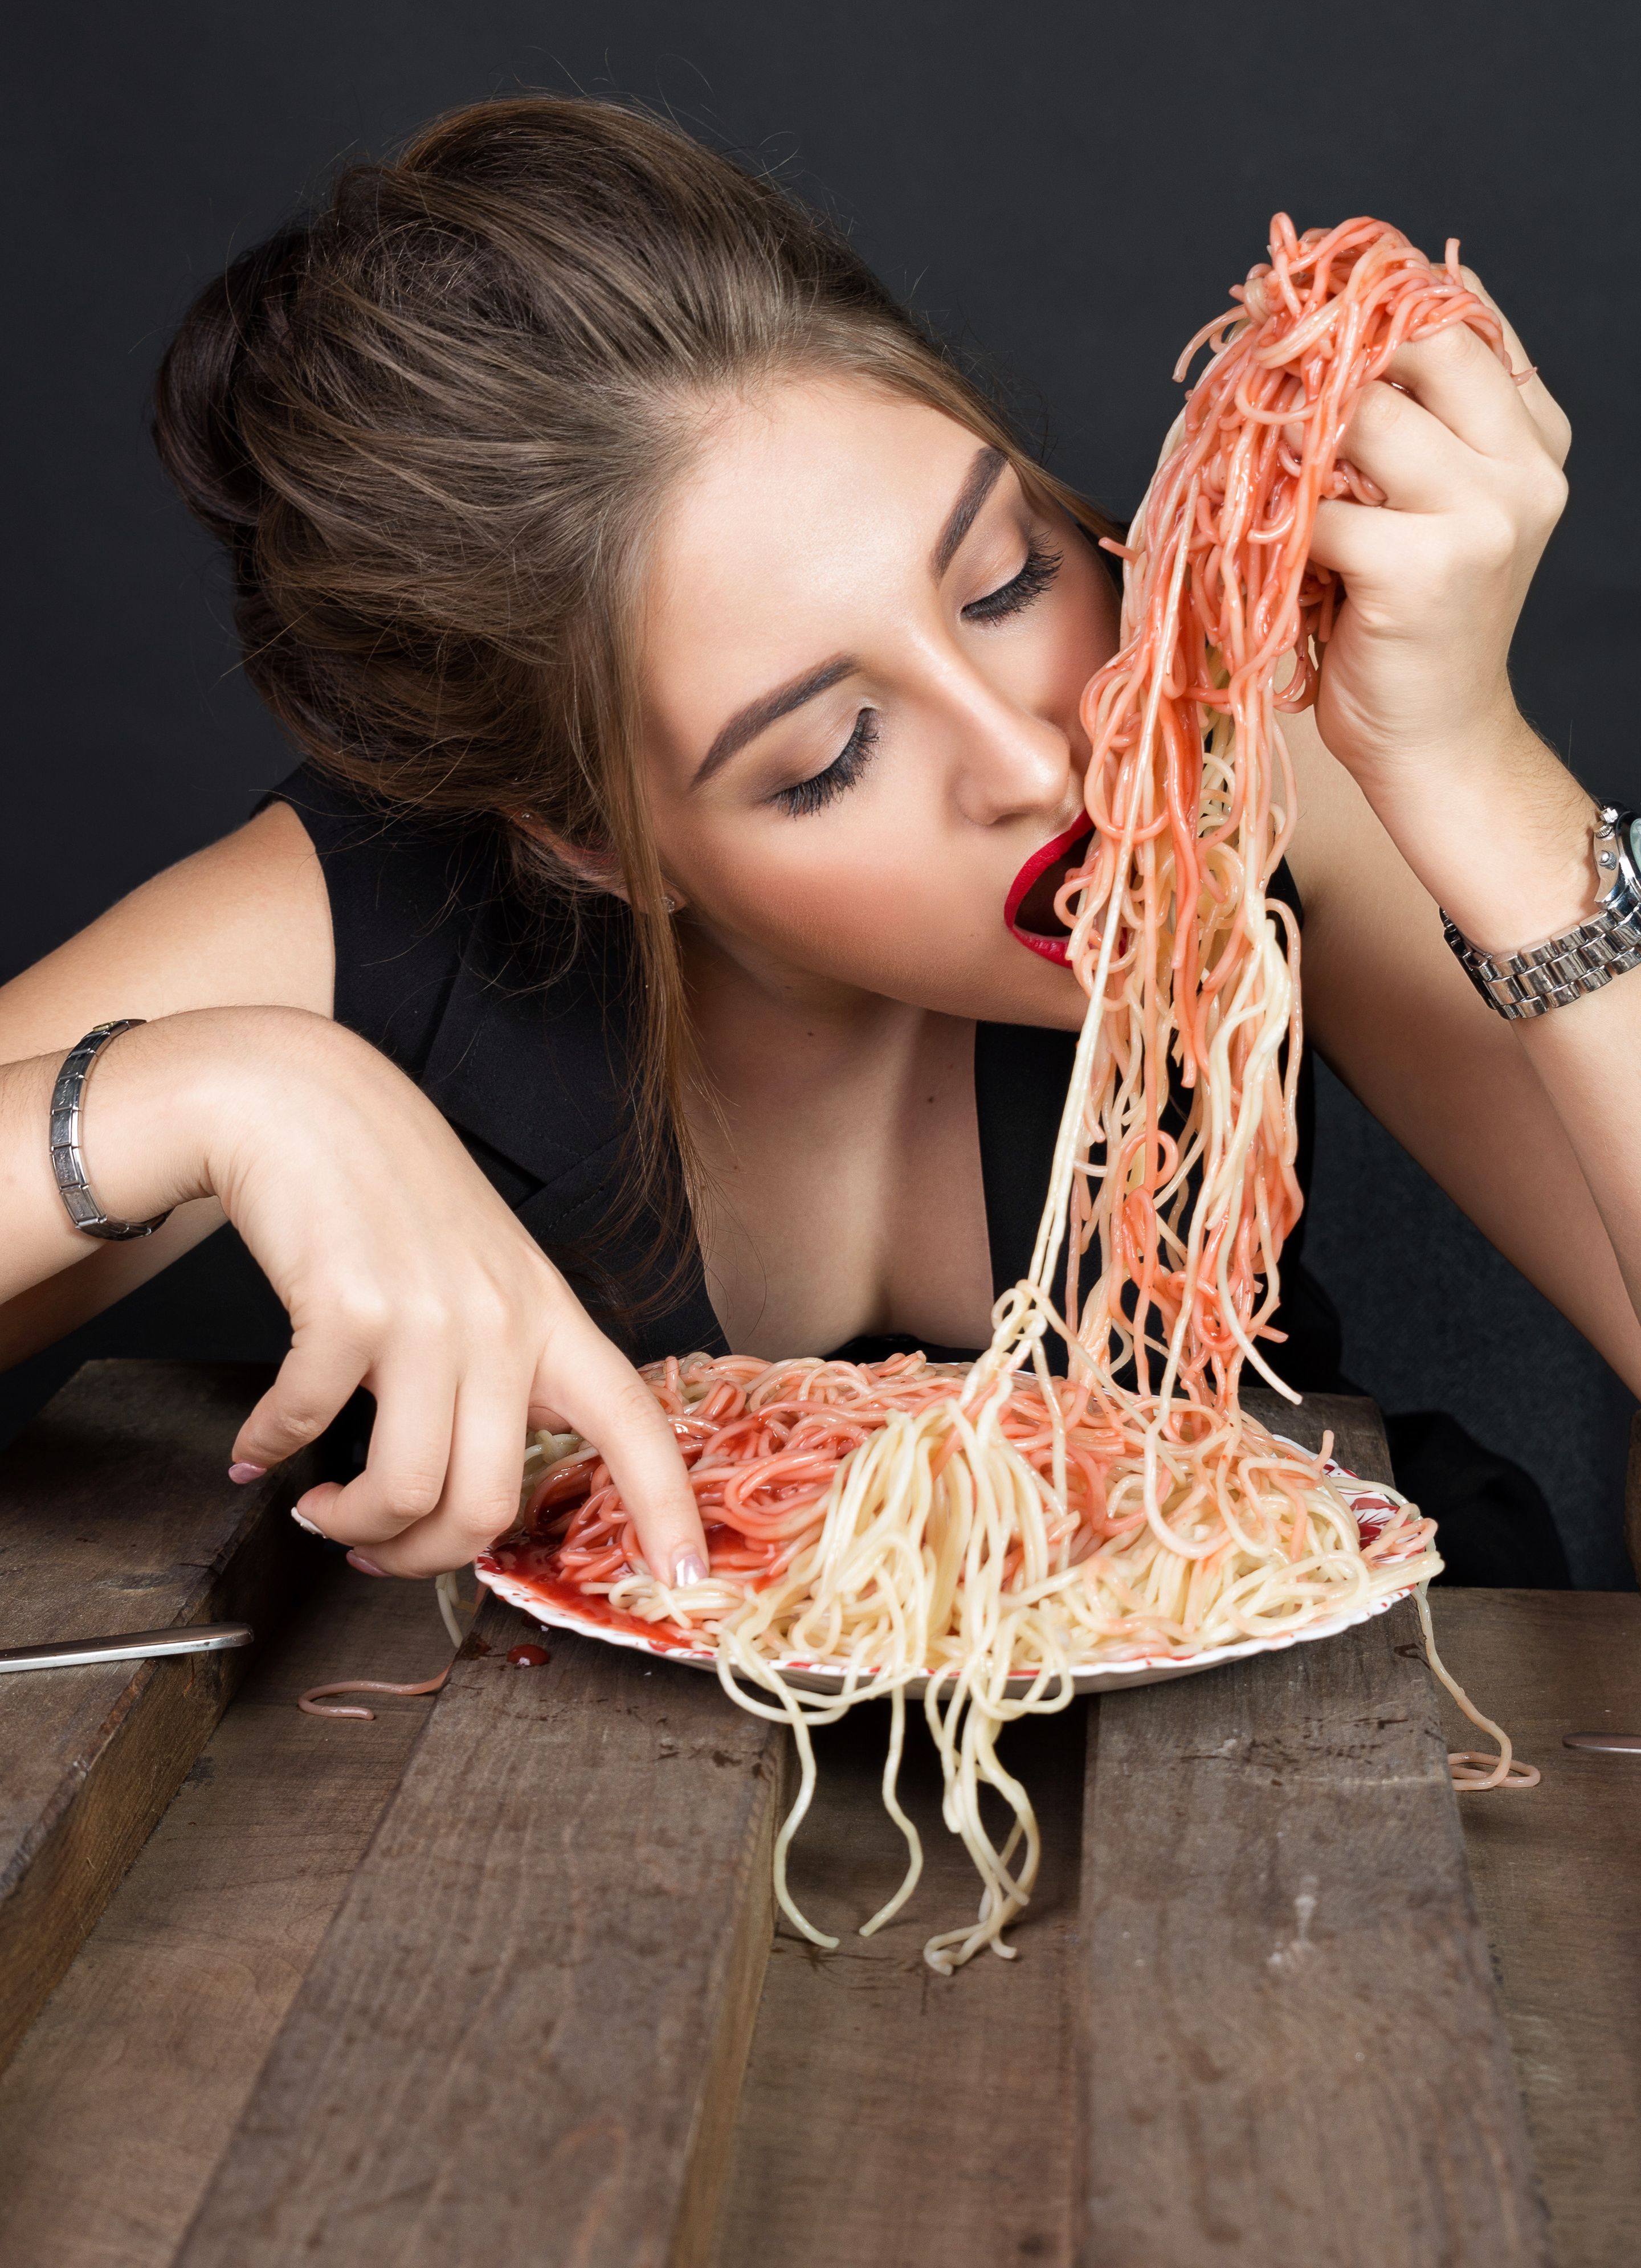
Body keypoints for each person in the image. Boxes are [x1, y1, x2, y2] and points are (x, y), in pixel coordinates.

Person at [0, 97, 1625, 1595]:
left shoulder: (1248, 733)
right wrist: (231, 1087)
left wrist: (1468, 765)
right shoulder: (369, 913)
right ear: (593, 840)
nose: (1037, 759)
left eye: (1005, 581)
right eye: (823, 754)